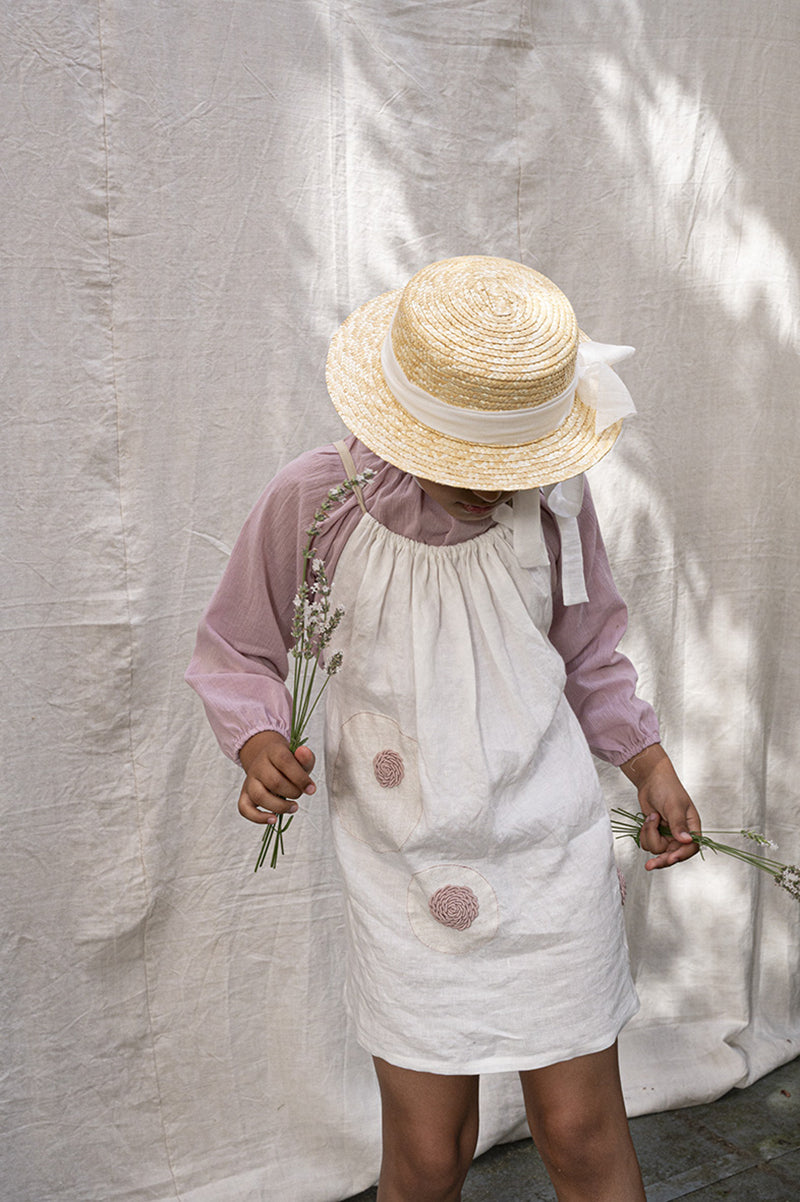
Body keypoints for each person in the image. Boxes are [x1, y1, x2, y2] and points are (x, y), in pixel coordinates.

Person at [187, 255, 701, 1202]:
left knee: (583, 1130)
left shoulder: (555, 506)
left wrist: (648, 760)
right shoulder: (322, 502)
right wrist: (260, 743)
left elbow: (588, 654)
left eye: (511, 464)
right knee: (429, 1149)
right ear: (400, 418)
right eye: (465, 462)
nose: (486, 487)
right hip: (407, 869)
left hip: (549, 855)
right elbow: (237, 646)